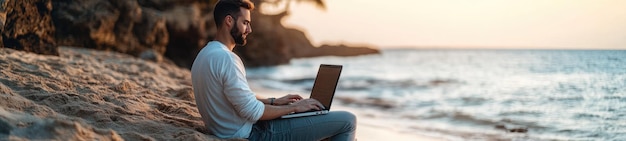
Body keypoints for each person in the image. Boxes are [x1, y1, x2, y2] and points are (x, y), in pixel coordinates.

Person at [191, 0, 357, 140]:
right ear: (229, 21)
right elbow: (253, 112)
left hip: (230, 129)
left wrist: (274, 101)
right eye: (245, 23)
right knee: (348, 120)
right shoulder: (227, 59)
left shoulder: (204, 55)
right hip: (252, 133)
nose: (249, 30)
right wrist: (295, 108)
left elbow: (234, 101)